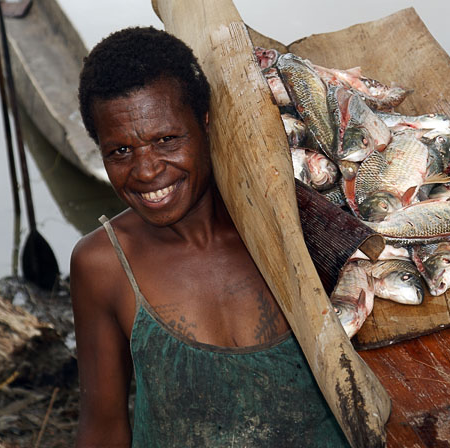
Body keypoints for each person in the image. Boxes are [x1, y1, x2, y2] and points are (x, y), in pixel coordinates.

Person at [71, 27, 349, 447]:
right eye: (120, 152)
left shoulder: (294, 226)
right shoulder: (104, 264)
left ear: (204, 123)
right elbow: (103, 427)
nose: (146, 171)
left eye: (166, 140)